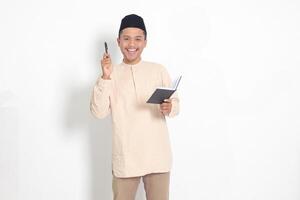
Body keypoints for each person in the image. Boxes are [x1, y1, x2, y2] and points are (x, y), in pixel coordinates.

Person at [90, 14, 180, 200]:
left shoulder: (158, 70)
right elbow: (98, 112)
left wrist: (169, 107)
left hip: (157, 157)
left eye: (138, 38)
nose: (132, 44)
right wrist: (105, 77)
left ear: (145, 42)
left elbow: (176, 104)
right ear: (118, 41)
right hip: (126, 158)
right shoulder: (110, 74)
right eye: (127, 38)